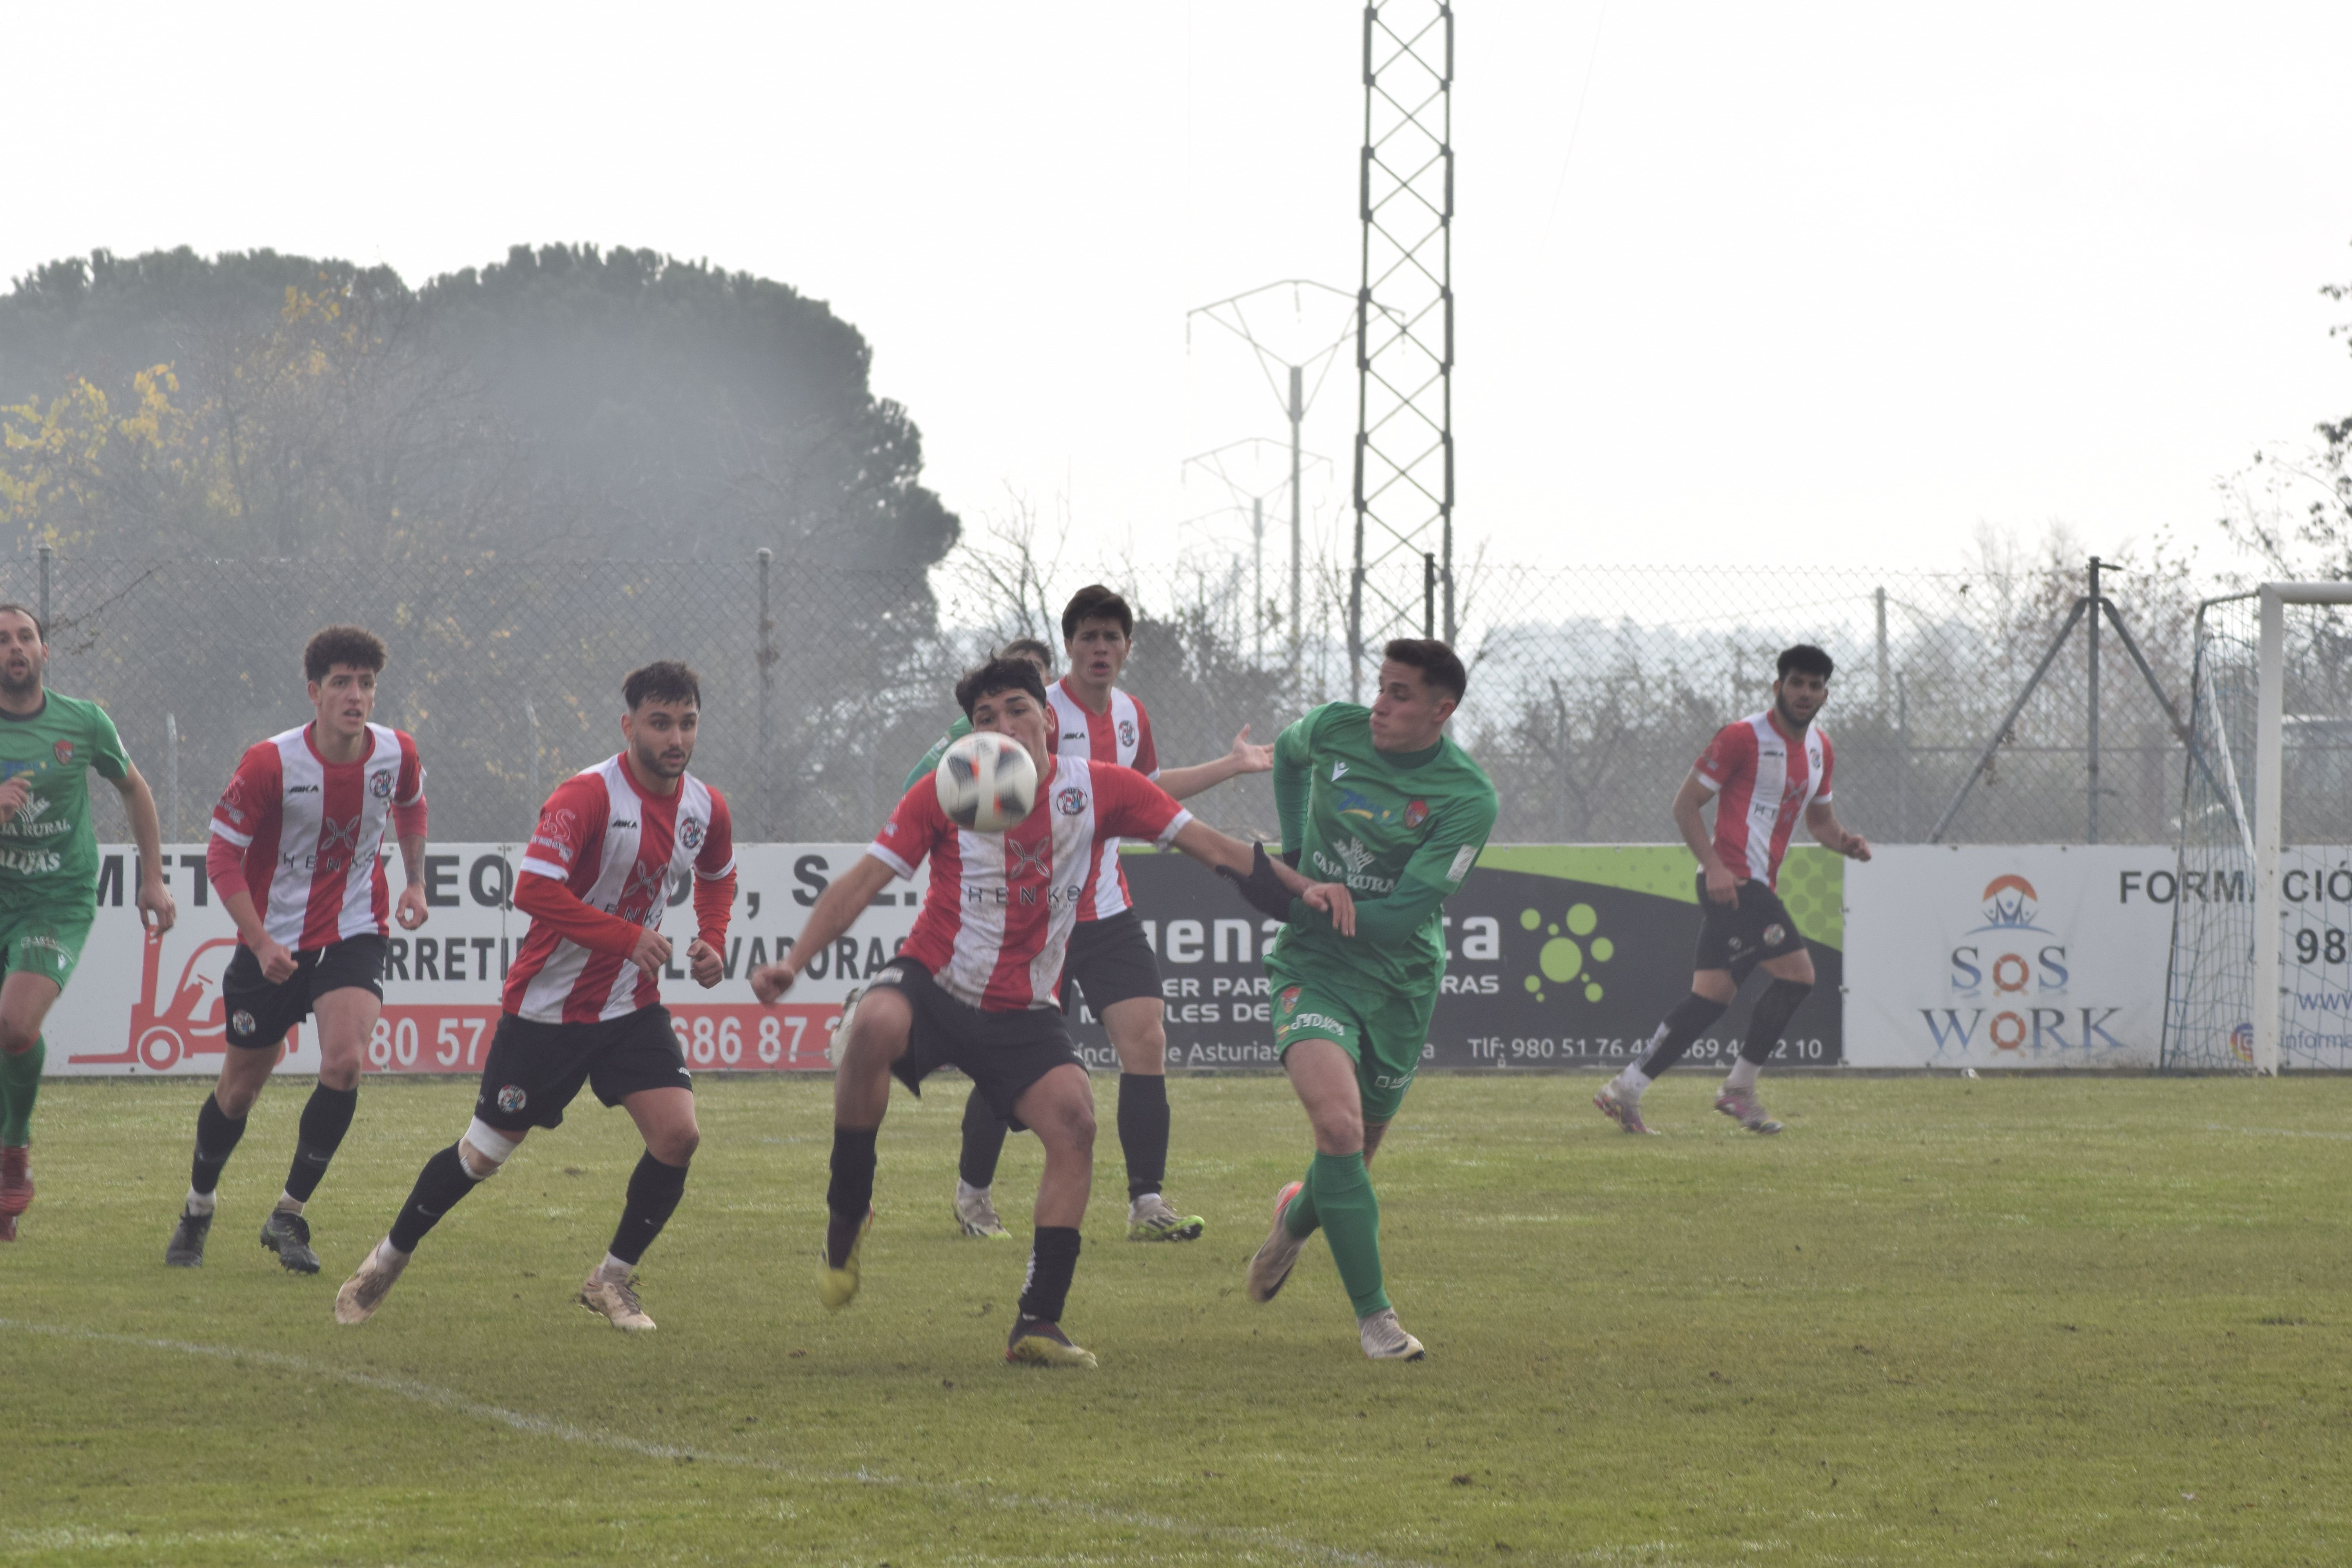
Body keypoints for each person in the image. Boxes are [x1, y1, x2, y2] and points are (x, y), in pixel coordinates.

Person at [751, 655, 1349, 1368]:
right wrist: (793, 962)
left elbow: (1215, 850)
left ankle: (1037, 1324)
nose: (1001, 728)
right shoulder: (949, 790)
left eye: (1016, 710)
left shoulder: (1100, 790)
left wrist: (1299, 892)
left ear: (1049, 720)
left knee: (1075, 1121)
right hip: (935, 982)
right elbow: (860, 884)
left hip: (1024, 1008)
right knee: (873, 1027)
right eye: (984, 719)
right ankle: (847, 1213)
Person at [333, 661, 735, 1332]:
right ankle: (388, 1258)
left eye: (687, 723)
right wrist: (625, 936)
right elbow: (534, 891)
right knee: (483, 1156)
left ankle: (611, 1280)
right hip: (546, 1014)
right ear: (628, 724)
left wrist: (713, 939)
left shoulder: (704, 807)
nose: (675, 737)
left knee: (679, 1135)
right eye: (660, 723)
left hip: (631, 1009)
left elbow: (718, 874)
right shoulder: (586, 797)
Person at [947, 588, 1274, 1246]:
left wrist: (1230, 768)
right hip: (1039, 919)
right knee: (1010, 1064)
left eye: (1112, 638)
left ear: (1127, 648)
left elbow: (1141, 794)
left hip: (1106, 903)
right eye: (1088, 637)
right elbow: (986, 791)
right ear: (1067, 646)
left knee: (1147, 1039)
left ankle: (1146, 1202)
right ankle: (974, 1193)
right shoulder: (1034, 711)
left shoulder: (1130, 713)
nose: (1100, 649)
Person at [1242, 639, 1497, 1362]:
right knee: (1339, 1128)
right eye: (1382, 688)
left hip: (1399, 979)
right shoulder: (1333, 729)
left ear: (1442, 711)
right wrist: (1297, 857)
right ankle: (1376, 1322)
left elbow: (1395, 916)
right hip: (1312, 965)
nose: (1380, 706)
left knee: (1352, 1154)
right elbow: (1288, 760)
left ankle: (1293, 1219)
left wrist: (1304, 893)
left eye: (1402, 696)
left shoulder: (1467, 799)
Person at [165, 626, 430, 1272]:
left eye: (366, 683)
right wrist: (258, 940)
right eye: (341, 682)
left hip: (355, 930)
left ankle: (287, 1215)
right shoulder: (270, 763)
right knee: (238, 1093)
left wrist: (416, 883)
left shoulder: (398, 752)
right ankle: (198, 1209)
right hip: (273, 945)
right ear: (313, 692)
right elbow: (222, 855)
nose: (356, 695)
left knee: (344, 1063)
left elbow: (413, 810)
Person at [1593, 643, 1871, 1136]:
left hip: (1752, 885)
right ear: (1777, 687)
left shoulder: (1819, 748)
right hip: (1735, 885)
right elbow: (1685, 805)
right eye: (1796, 683)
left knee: (1709, 1000)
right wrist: (1715, 866)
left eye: (1814, 686)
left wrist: (1845, 842)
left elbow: (1821, 821)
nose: (1804, 693)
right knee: (1799, 977)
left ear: (1825, 693)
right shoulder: (1742, 737)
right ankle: (1739, 1090)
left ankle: (1625, 1090)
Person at [0, 603, 176, 1241]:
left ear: (46, 653)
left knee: (16, 1026)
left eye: (26, 637)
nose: (15, 647)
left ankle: (12, 1151)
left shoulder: (83, 722)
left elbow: (135, 788)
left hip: (56, 900)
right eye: (2, 640)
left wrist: (152, 878)